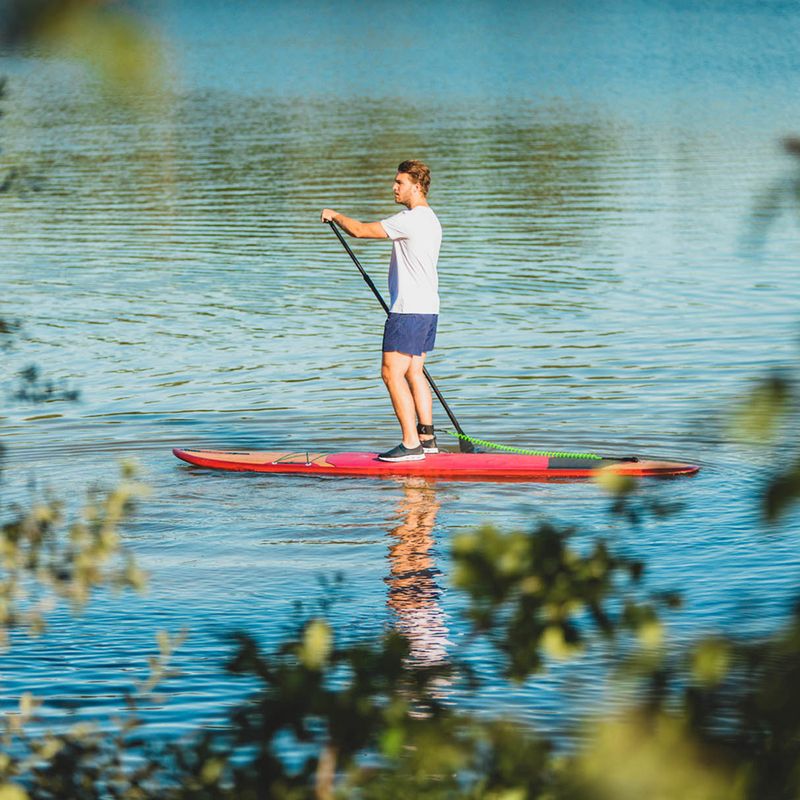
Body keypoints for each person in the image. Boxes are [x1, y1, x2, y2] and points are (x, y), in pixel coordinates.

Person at [321, 160, 442, 462]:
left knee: (391, 373)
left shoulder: (410, 219)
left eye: (399, 183)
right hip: (428, 308)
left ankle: (410, 444)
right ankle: (427, 439)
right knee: (414, 371)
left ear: (416, 187)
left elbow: (360, 231)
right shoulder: (432, 220)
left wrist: (334, 214)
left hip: (408, 310)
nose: (394, 188)